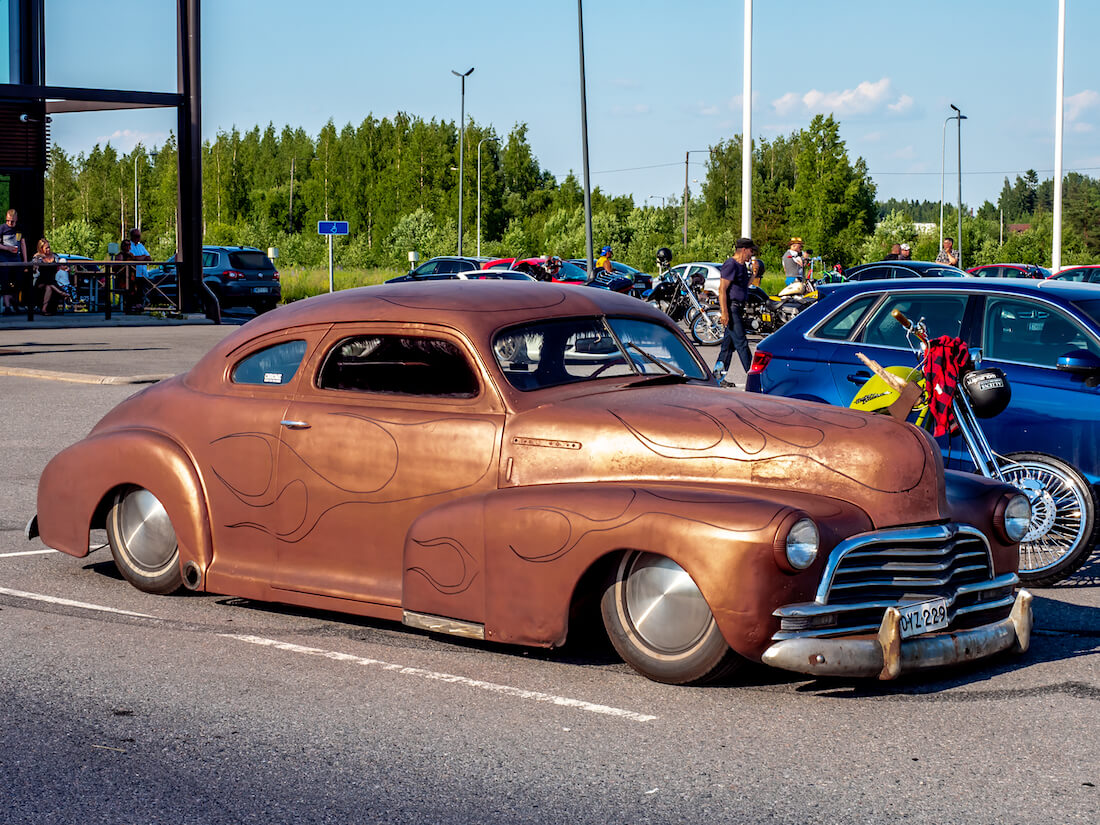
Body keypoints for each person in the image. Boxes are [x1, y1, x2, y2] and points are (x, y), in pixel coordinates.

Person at [714, 237, 756, 388]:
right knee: (742, 343)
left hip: (737, 307)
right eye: (751, 251)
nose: (752, 254)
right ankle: (755, 377)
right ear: (743, 250)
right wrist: (724, 312)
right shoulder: (730, 264)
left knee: (727, 347)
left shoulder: (742, 266)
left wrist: (754, 275)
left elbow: (744, 286)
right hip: (731, 308)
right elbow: (722, 289)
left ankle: (717, 378)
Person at [31, 238, 70, 315]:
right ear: (41, 248)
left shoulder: (55, 256)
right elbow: (34, 270)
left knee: (49, 286)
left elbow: (61, 266)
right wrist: (37, 258)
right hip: (41, 281)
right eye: (46, 248)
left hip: (53, 281)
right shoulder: (38, 257)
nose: (48, 249)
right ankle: (61, 293)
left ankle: (44, 309)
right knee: (46, 279)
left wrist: (66, 268)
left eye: (49, 247)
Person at [1, 208, 28, 314]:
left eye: (12, 221)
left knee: (18, 281)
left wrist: (25, 260)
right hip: (4, 259)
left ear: (16, 219)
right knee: (5, 282)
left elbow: (23, 244)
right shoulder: (2, 228)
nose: (10, 223)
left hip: (16, 258)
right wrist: (7, 248)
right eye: (8, 220)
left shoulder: (19, 229)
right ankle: (7, 306)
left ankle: (16, 302)